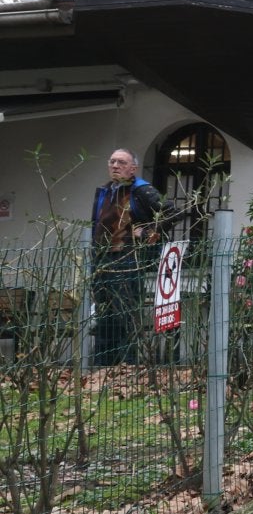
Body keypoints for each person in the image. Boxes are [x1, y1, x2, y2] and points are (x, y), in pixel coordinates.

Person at [89, 149, 163, 367]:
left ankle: (128, 366)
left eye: (121, 162)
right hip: (102, 259)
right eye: (112, 161)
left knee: (126, 314)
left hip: (128, 260)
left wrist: (149, 232)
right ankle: (102, 366)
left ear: (133, 167)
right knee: (103, 315)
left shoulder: (142, 190)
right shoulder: (105, 190)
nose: (115, 165)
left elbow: (171, 212)